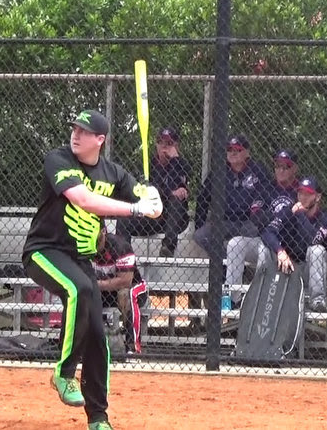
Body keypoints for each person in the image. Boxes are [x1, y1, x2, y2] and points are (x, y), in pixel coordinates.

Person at [22, 109, 162, 430]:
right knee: (80, 289)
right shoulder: (58, 159)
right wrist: (135, 208)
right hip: (44, 251)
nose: (76, 134)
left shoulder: (113, 173)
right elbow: (83, 200)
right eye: (75, 129)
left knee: (98, 337)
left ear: (100, 139)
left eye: (84, 131)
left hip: (80, 259)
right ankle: (64, 373)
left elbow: (142, 196)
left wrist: (151, 197)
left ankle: (98, 418)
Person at [225, 149, 299, 305]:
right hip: (266, 239)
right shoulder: (266, 188)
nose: (280, 170)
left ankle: (258, 302)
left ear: (294, 169)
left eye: (286, 167)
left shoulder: (301, 191)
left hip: (290, 245)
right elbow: (256, 216)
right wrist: (282, 217)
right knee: (235, 244)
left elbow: (298, 223)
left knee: (263, 252)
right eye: (277, 166)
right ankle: (231, 300)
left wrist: (272, 219)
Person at [259, 177, 327, 312]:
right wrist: (280, 251)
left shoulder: (326, 217)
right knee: (264, 247)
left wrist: (300, 214)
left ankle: (317, 301)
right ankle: (260, 295)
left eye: (308, 194)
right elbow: (267, 232)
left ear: (317, 197)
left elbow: (313, 240)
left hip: (314, 271)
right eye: (300, 193)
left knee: (316, 250)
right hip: (289, 267)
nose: (302, 197)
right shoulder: (288, 211)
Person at [115, 127, 191, 257]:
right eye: (161, 142)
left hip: (173, 219)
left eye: (169, 143)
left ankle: (167, 248)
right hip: (152, 215)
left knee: (176, 201)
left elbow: (178, 189)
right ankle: (123, 256)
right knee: (123, 220)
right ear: (156, 144)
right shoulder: (149, 164)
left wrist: (175, 160)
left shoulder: (182, 164)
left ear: (176, 146)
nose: (164, 147)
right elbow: (148, 189)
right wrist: (170, 192)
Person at [193, 135, 272, 260]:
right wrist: (200, 224)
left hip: (249, 221)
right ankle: (225, 262)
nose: (233, 153)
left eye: (238, 150)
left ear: (247, 152)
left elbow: (267, 196)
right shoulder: (219, 170)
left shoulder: (258, 170)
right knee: (200, 235)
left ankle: (236, 264)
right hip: (225, 221)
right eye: (229, 149)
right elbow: (203, 197)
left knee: (254, 232)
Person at [93, 228, 149, 354]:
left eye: (97, 240)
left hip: (133, 286)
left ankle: (132, 348)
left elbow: (125, 281)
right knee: (83, 292)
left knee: (127, 294)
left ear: (103, 232)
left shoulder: (121, 246)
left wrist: (96, 284)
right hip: (104, 291)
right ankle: (86, 347)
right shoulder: (83, 247)